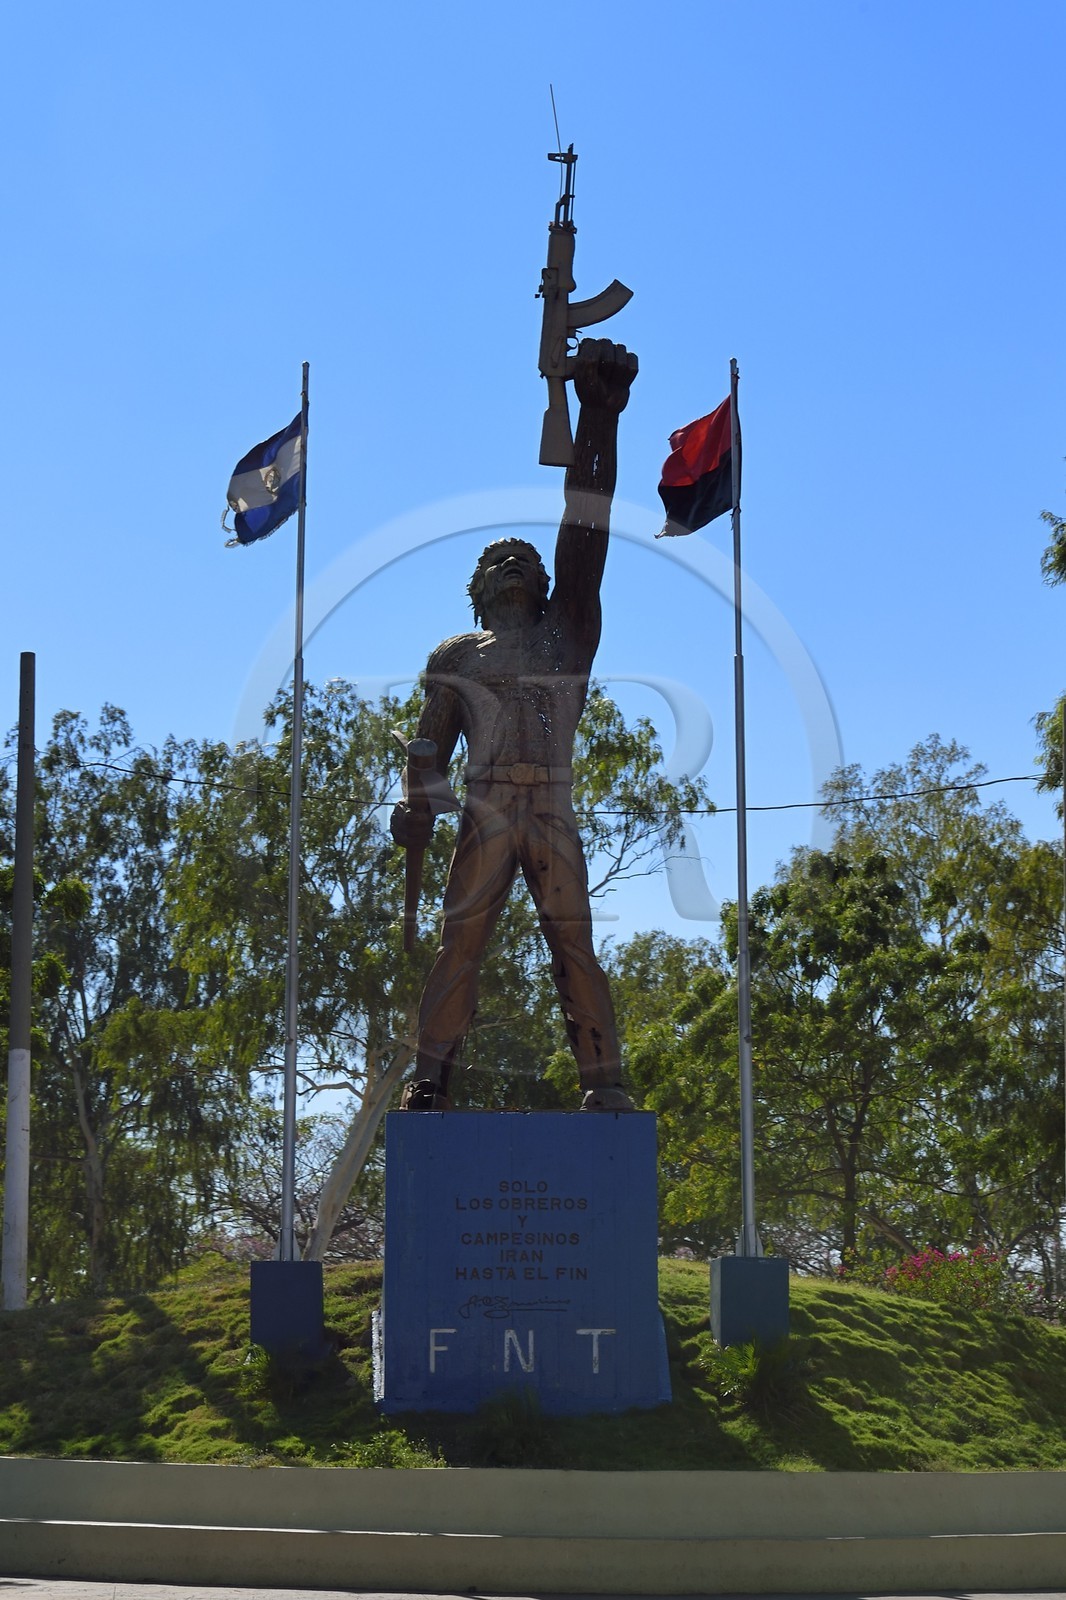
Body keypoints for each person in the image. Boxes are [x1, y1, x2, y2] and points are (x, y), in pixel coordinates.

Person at [390, 338, 638, 1111]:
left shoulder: (568, 634)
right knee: (459, 945)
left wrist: (598, 419)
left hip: (552, 803)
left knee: (573, 944)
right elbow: (430, 744)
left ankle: (604, 1080)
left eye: (523, 558)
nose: (511, 562)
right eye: (496, 559)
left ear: (544, 583)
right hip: (485, 805)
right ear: (475, 588)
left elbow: (585, 526)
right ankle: (430, 1077)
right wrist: (415, 803)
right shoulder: (457, 654)